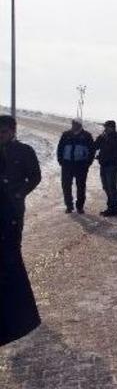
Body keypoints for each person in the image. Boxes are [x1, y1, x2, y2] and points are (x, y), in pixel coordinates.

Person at [0, 115, 42, 346]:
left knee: (12, 253)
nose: (1, 135)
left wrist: (20, 193)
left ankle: (17, 307)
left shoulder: (24, 151)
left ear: (13, 131)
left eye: (4, 131)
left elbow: (35, 176)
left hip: (12, 211)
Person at [56, 119, 94, 214]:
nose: (73, 126)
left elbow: (92, 151)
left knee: (81, 186)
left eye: (75, 124)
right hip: (67, 165)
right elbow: (60, 149)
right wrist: (61, 161)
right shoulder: (66, 135)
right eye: (72, 124)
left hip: (81, 166)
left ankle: (80, 207)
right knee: (66, 186)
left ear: (80, 125)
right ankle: (69, 206)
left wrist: (88, 163)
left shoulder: (87, 136)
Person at [93, 120, 117, 217]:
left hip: (113, 166)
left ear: (112, 127)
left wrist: (107, 156)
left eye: (107, 127)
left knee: (112, 188)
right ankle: (110, 206)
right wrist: (100, 139)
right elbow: (95, 146)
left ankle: (114, 209)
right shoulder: (103, 137)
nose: (105, 129)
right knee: (106, 187)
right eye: (105, 127)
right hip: (104, 165)